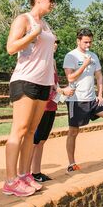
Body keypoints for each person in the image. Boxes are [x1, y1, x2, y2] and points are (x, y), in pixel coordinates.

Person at [3, 0, 56, 197]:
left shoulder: (46, 24)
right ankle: (10, 180)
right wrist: (32, 33)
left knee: (32, 132)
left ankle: (24, 175)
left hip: (44, 82)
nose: (53, 3)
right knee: (20, 129)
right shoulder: (24, 20)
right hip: (25, 80)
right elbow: (10, 47)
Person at [64, 28, 103, 172]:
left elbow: (99, 76)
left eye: (90, 42)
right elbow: (70, 78)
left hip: (93, 99)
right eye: (85, 42)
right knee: (73, 131)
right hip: (76, 100)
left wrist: (100, 95)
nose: (88, 45)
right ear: (78, 41)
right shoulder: (71, 56)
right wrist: (85, 65)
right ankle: (71, 163)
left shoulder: (93, 56)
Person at [28, 39, 75, 183]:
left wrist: (62, 92)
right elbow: (43, 83)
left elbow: (54, 85)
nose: (55, 45)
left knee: (42, 140)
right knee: (33, 141)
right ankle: (25, 174)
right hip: (40, 105)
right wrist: (62, 91)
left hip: (51, 105)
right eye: (52, 42)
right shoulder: (40, 60)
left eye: (56, 43)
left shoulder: (52, 62)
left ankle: (36, 172)